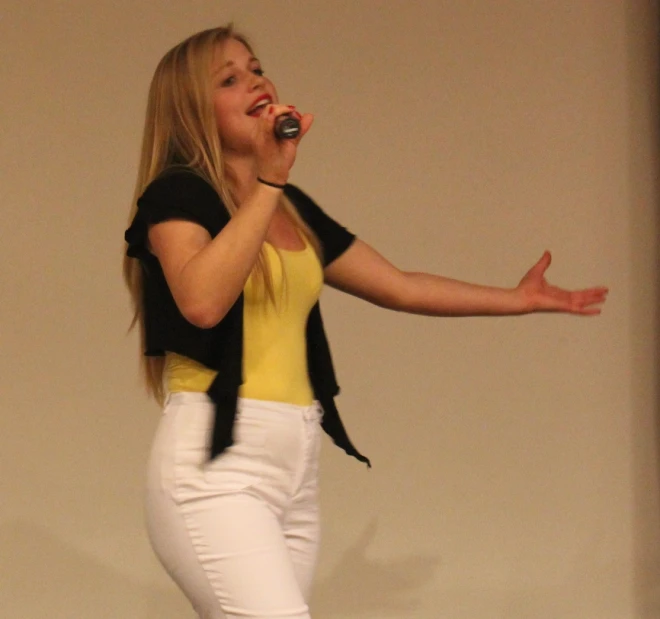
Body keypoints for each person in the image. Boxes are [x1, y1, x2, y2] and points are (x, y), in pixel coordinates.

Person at [122, 24, 607, 619]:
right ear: (192, 109)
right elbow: (201, 303)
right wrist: (269, 183)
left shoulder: (291, 209)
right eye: (230, 78)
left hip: (293, 464)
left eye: (256, 68)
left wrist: (518, 299)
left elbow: (400, 286)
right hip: (217, 464)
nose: (256, 82)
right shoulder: (179, 194)